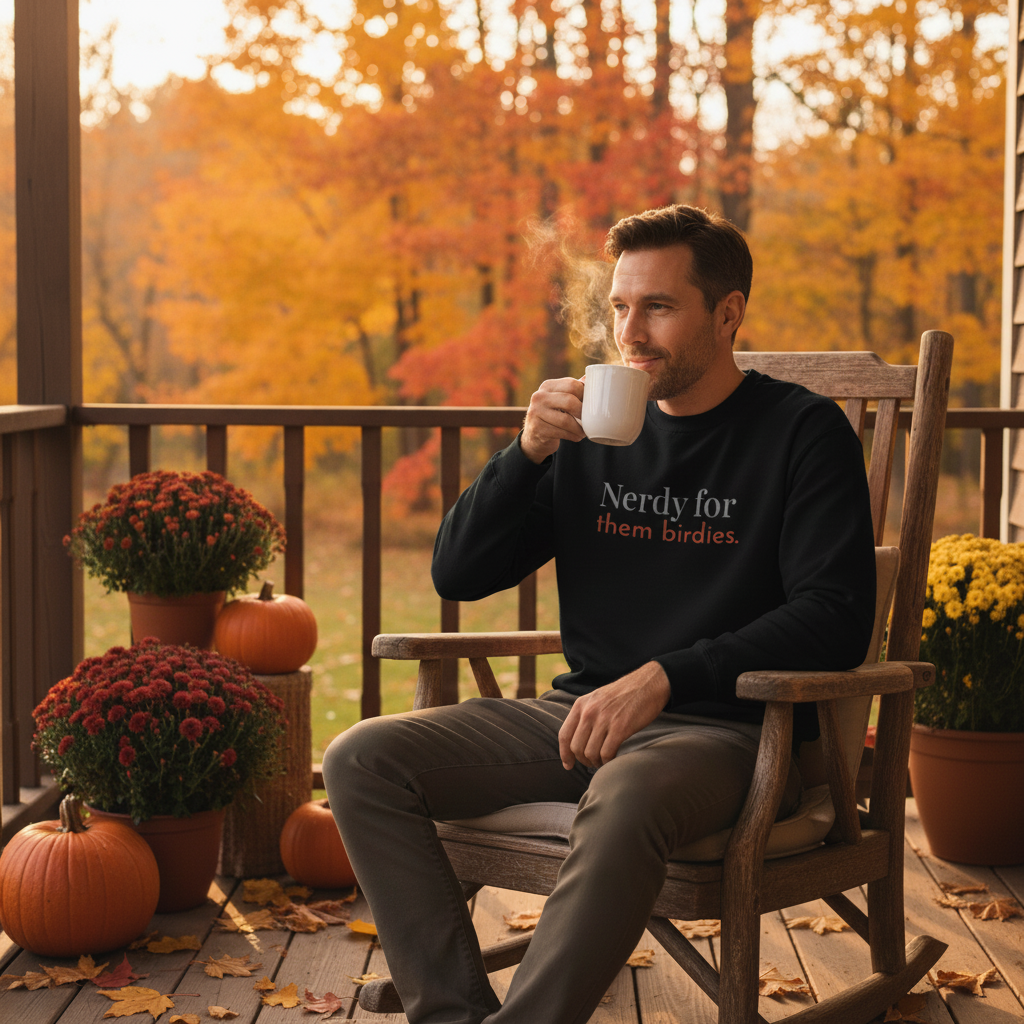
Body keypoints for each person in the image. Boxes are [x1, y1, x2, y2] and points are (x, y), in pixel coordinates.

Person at [323, 204, 877, 1024]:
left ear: (728, 314)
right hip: (575, 715)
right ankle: (451, 1011)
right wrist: (525, 456)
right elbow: (459, 571)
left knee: (626, 794)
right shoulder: (587, 431)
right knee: (362, 758)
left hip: (727, 734)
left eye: (658, 306)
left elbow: (835, 617)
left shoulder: (800, 433)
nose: (631, 331)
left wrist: (663, 678)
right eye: (620, 306)